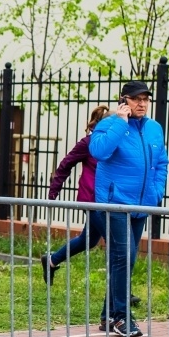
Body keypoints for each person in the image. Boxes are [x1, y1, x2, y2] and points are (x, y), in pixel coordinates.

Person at [89, 80, 169, 337]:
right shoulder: (109, 125)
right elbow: (98, 151)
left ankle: (108, 314)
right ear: (123, 100)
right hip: (114, 204)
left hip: (141, 205)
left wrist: (156, 192)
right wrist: (120, 123)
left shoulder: (155, 128)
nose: (142, 103)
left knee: (127, 258)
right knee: (123, 256)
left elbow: (162, 162)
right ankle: (122, 317)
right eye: (136, 99)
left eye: (145, 99)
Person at [41, 105, 109, 285]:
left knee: (88, 240)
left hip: (108, 199)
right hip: (92, 200)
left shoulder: (113, 144)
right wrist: (53, 192)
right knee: (116, 242)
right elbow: (65, 164)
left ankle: (51, 260)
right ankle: (121, 292)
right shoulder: (88, 143)